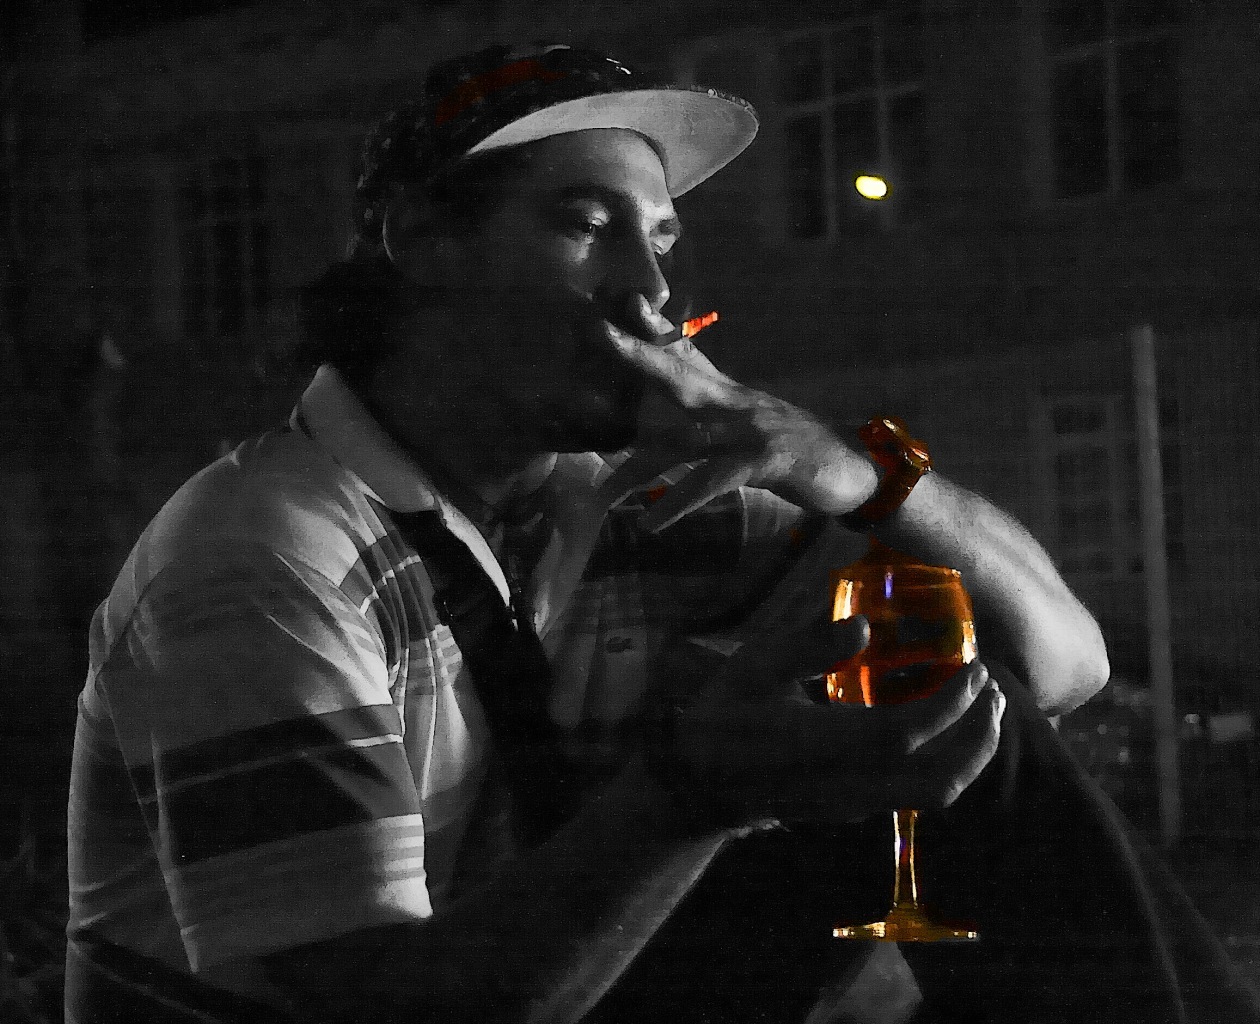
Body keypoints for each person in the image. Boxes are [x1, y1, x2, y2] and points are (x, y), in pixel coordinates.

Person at [64, 42, 1259, 1024]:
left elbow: (1060, 662)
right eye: (588, 224)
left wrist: (844, 468)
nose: (650, 292)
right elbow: (367, 1009)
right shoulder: (265, 556)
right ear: (422, 242)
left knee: (947, 708)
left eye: (665, 240)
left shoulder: (623, 505)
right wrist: (695, 789)